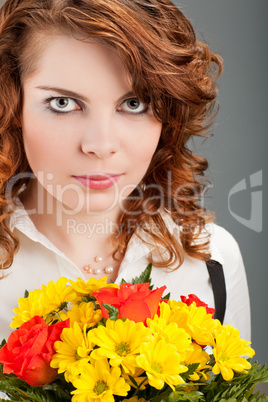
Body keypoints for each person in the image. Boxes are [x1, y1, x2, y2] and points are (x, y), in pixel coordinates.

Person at [0, 0, 250, 344]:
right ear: (13, 106)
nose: (101, 145)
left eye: (134, 104)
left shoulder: (213, 259)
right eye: (63, 103)